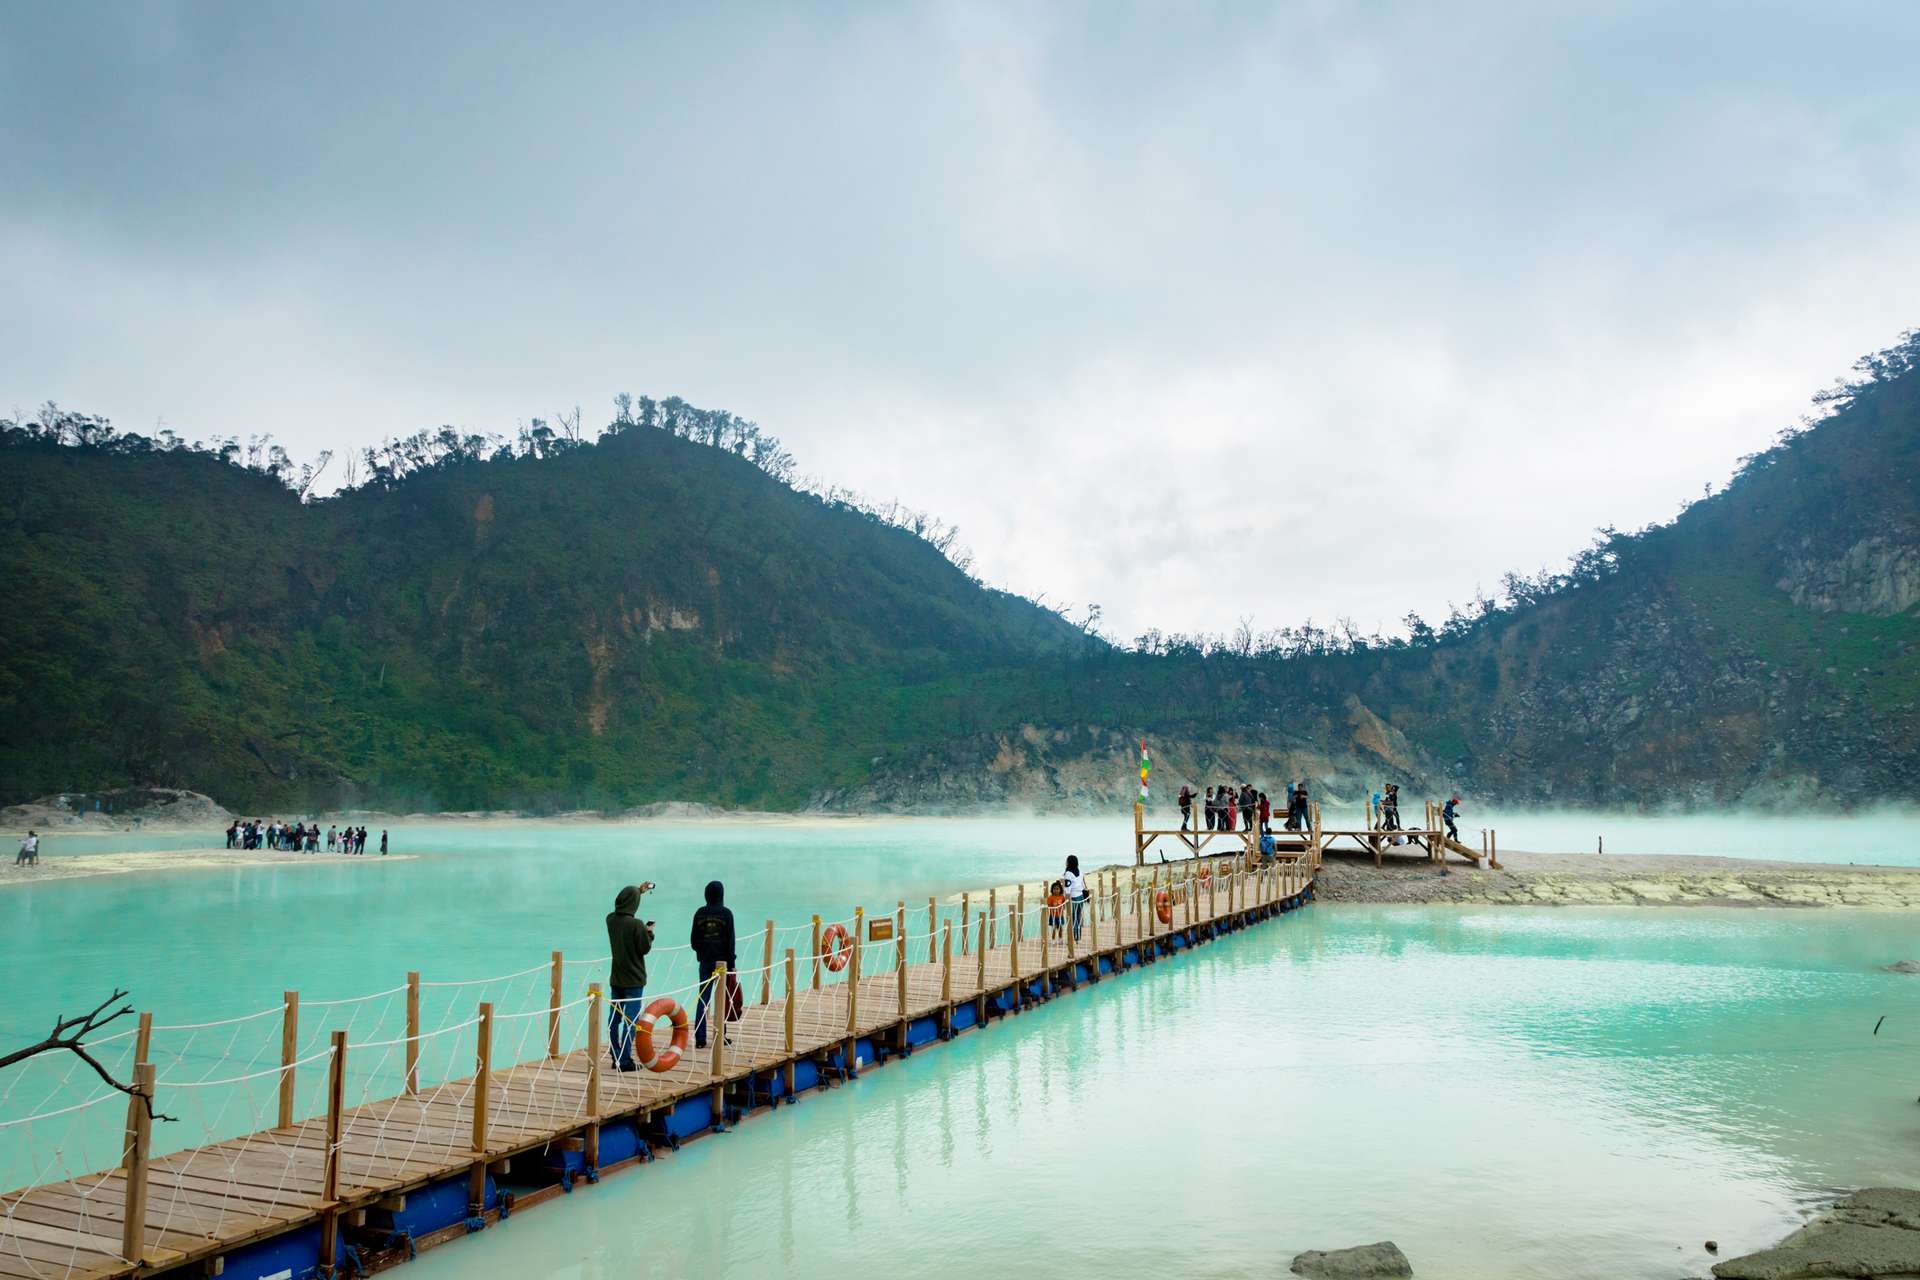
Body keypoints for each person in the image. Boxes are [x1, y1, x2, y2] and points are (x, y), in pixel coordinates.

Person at [605, 883, 655, 1071]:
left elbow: (620, 909)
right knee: (630, 1022)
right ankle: (625, 1061)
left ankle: (615, 1055)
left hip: (616, 979)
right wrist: (649, 933)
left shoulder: (610, 920)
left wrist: (639, 891)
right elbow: (644, 948)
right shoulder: (636, 925)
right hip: (634, 980)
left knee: (614, 1020)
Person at [691, 880, 737, 1051]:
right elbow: (730, 942)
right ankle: (720, 1035)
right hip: (722, 963)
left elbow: (694, 940)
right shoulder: (727, 914)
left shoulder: (699, 913)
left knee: (703, 998)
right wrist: (731, 964)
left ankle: (700, 1038)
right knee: (722, 999)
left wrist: (702, 953)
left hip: (705, 961)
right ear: (721, 895)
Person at [1063, 855, 1088, 941]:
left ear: (1069, 862)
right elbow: (1083, 884)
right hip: (1080, 896)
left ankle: (1074, 938)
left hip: (1073, 897)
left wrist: (1065, 898)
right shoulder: (1080, 871)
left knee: (1072, 918)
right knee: (1078, 916)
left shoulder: (1068, 873)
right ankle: (1078, 936)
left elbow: (1067, 888)